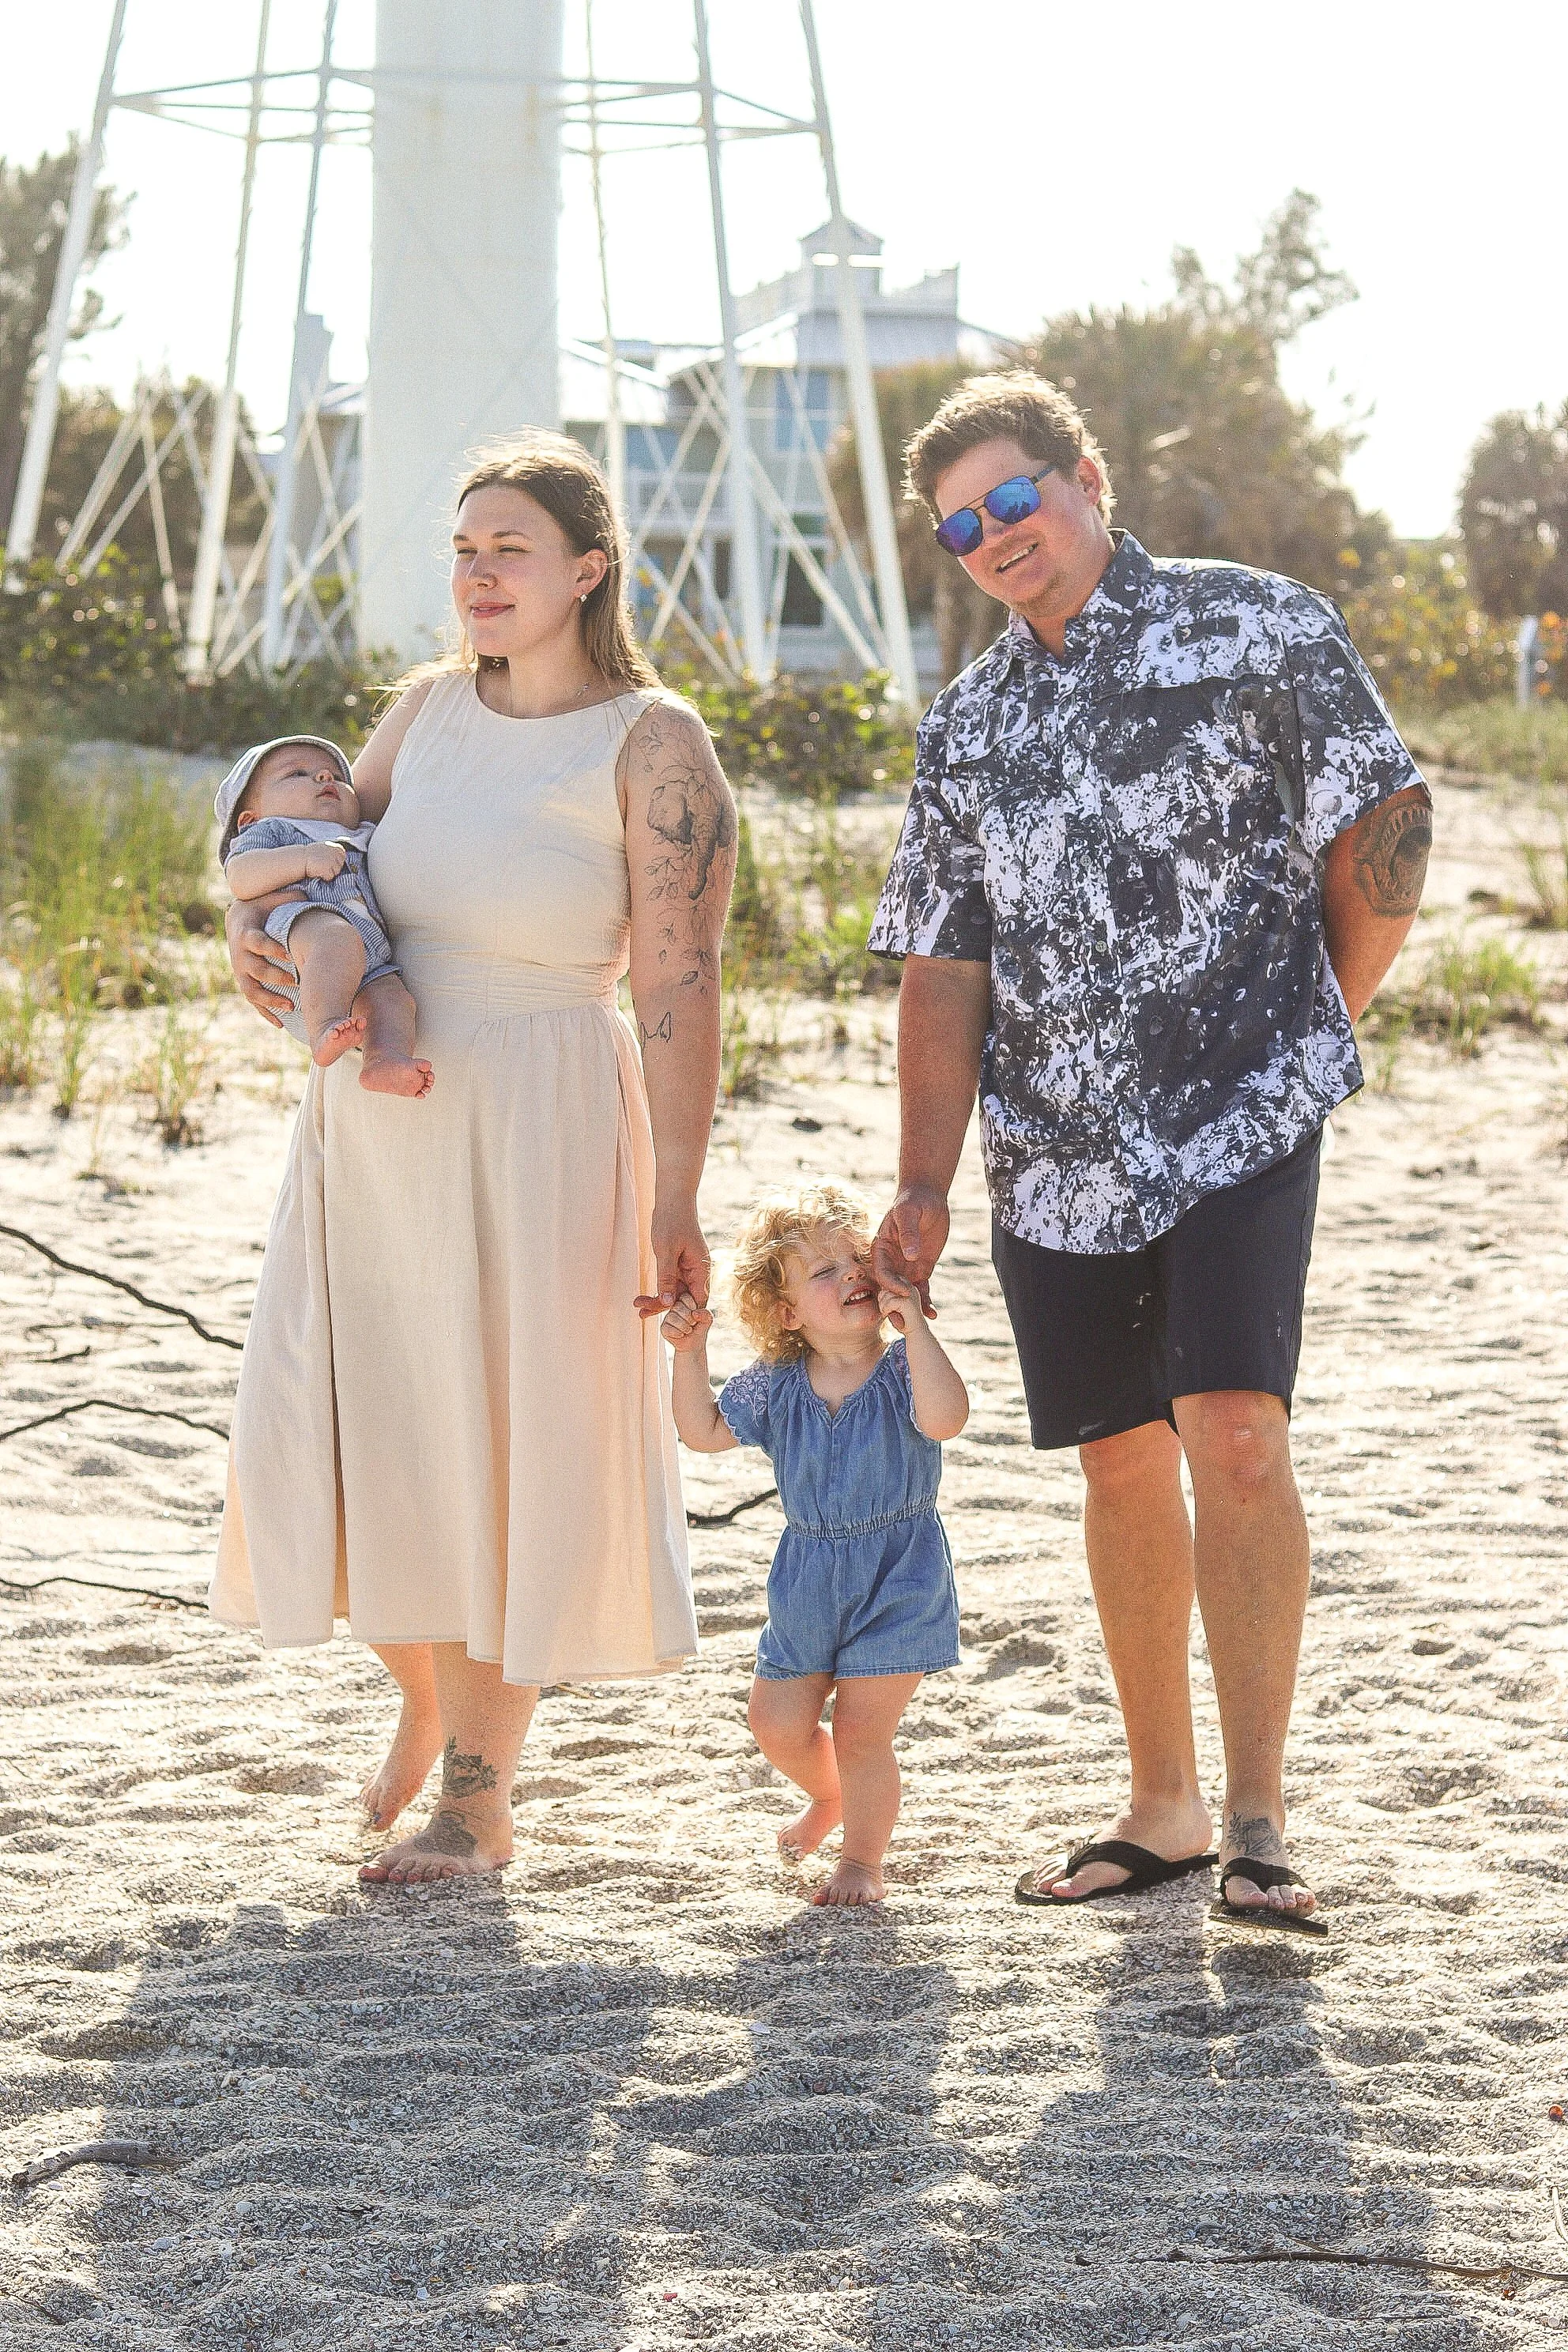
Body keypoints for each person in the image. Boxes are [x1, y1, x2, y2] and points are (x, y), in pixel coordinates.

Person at [869, 372, 1434, 1935]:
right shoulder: (968, 720)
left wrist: (1312, 1018)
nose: (992, 538)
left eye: (1011, 501)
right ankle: (1162, 1807)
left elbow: (1382, 825)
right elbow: (939, 960)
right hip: (1046, 1150)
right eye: (959, 526)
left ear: (1084, 480)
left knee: (1234, 1433)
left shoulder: (1255, 628)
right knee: (1119, 1463)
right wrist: (919, 1179)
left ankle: (1256, 1816)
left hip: (1239, 1114)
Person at [212, 432, 736, 1886]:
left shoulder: (652, 743)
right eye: (462, 550)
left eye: (508, 548)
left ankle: (475, 1796)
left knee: (515, 1444)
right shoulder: (423, 711)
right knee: (372, 1433)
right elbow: (319, 859)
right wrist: (251, 949)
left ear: (586, 568)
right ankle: (425, 1701)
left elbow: (679, 985)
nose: (478, 574)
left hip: (544, 1113)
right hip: (375, 1131)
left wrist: (675, 1194)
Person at [662, 1182, 968, 1905]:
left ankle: (862, 1860)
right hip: (806, 1577)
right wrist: (690, 1353)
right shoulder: (776, 1383)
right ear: (785, 1312)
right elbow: (701, 1433)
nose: (851, 1276)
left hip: (899, 1574)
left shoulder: (901, 1369)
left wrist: (916, 1326)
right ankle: (832, 1798)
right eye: (823, 1272)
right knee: (776, 1723)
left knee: (863, 1729)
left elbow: (949, 1418)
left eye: (856, 1260)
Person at [216, 735, 432, 1095]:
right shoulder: (273, 830)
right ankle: (326, 1029)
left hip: (370, 959)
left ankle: (384, 1060)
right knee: (335, 938)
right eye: (297, 773)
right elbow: (240, 877)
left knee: (395, 1001)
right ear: (249, 818)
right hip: (301, 936)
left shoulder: (361, 835)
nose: (324, 778)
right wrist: (302, 858)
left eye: (335, 775)